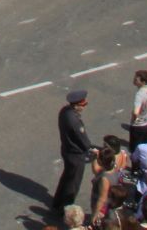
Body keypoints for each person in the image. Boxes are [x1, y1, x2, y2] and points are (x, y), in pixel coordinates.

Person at [51, 88, 93, 217]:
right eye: (83, 105)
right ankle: (66, 208)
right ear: (77, 105)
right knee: (73, 183)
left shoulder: (64, 112)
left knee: (66, 178)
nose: (84, 108)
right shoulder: (74, 120)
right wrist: (90, 149)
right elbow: (83, 139)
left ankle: (57, 203)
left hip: (67, 150)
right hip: (76, 154)